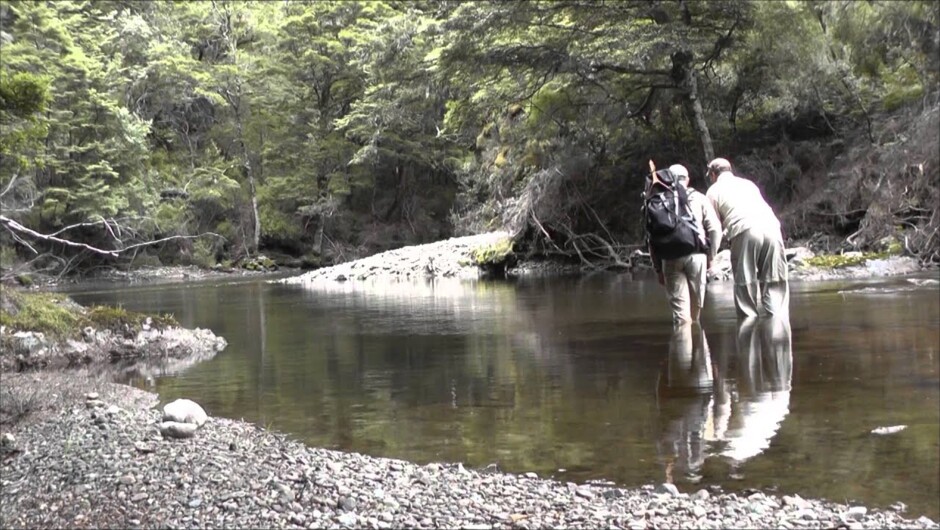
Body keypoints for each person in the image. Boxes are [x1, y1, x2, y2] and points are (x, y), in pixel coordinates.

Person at [704, 158, 789, 317]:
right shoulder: (748, 184)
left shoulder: (713, 191)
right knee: (774, 279)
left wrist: (712, 255)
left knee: (746, 282)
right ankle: (778, 324)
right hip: (771, 226)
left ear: (714, 175)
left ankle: (749, 327)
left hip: (745, 229)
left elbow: (715, 226)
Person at [650, 164, 723, 324]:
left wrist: (657, 269)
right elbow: (715, 229)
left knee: (681, 316)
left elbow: (651, 238)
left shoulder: (659, 200)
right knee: (695, 309)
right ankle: (697, 341)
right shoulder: (699, 198)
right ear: (687, 180)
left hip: (670, 257)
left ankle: (683, 341)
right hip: (697, 255)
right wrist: (712, 256)